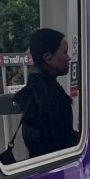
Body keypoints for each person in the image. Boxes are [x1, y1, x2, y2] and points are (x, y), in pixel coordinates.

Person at [14, 28, 78, 158]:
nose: (69, 58)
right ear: (48, 58)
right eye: (65, 52)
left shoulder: (32, 90)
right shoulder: (51, 95)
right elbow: (62, 141)